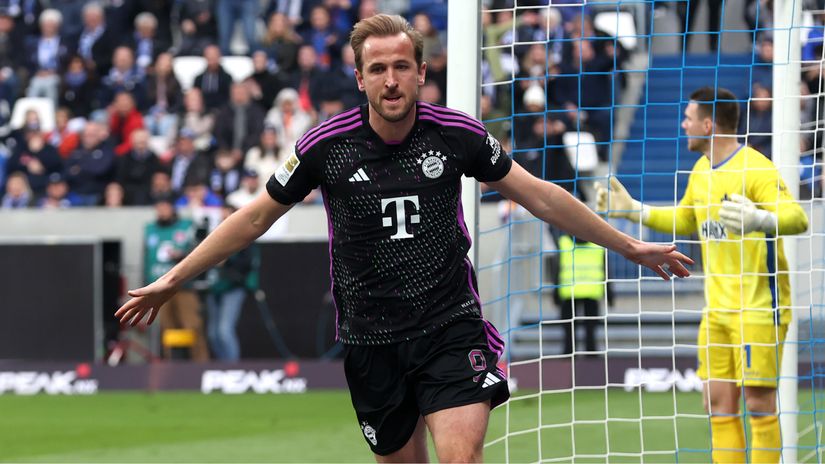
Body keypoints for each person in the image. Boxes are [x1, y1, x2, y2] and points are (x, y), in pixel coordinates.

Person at [117, 14, 692, 462]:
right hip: (370, 339)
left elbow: (539, 194)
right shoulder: (325, 147)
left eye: (401, 66)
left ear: (421, 72)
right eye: (377, 69)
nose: (390, 80)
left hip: (449, 325)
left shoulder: (459, 135)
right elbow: (252, 218)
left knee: (461, 457)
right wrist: (171, 281)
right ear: (360, 77)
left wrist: (630, 246)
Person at [596, 86, 809, 464]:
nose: (683, 124)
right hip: (717, 310)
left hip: (759, 308)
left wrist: (761, 219)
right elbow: (686, 218)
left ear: (709, 124)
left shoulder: (755, 167)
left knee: (759, 404)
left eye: (689, 118)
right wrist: (634, 211)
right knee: (717, 403)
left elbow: (798, 218)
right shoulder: (701, 170)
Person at [142, 193, 209, 361]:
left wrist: (182, 255)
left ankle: (202, 368)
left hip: (183, 286)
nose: (162, 210)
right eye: (159, 207)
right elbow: (146, 260)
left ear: (172, 208)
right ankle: (172, 371)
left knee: (192, 326)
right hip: (160, 289)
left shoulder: (186, 226)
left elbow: (200, 249)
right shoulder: (150, 229)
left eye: (165, 206)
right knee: (167, 329)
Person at [206, 204, 259, 361]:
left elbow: (248, 263)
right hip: (214, 287)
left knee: (224, 330)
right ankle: (224, 368)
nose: (224, 219)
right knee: (212, 334)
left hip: (233, 286)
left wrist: (227, 261)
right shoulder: (215, 234)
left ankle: (233, 368)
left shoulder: (245, 236)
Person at [554, 234, 610, 355]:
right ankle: (590, 359)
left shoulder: (563, 242)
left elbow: (557, 269)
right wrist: (610, 295)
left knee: (571, 332)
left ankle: (569, 358)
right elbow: (606, 271)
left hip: (569, 292)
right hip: (590, 292)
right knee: (589, 331)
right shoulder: (598, 244)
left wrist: (555, 293)